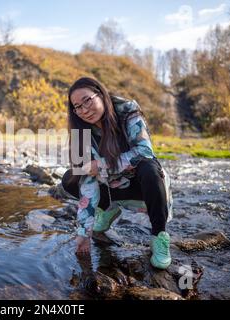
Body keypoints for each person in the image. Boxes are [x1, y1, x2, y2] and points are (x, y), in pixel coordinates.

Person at [62, 77, 173, 270]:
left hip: (138, 184)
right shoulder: (80, 134)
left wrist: (103, 165)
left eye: (87, 100)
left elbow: (145, 151)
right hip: (109, 185)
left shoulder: (127, 111)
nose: (84, 110)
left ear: (101, 94)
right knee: (71, 178)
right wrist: (83, 233)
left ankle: (159, 237)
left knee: (150, 168)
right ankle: (106, 209)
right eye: (77, 107)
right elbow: (88, 180)